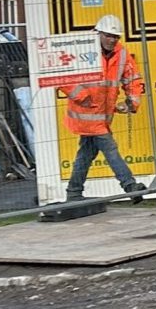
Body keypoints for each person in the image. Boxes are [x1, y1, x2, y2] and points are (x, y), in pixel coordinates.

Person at [61, 14, 148, 203]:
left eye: (115, 36)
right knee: (110, 148)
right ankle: (130, 186)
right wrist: (81, 96)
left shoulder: (122, 54)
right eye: (108, 35)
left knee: (86, 153)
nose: (112, 40)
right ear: (97, 32)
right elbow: (63, 75)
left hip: (103, 115)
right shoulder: (80, 47)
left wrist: (132, 102)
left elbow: (133, 79)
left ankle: (73, 192)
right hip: (85, 113)